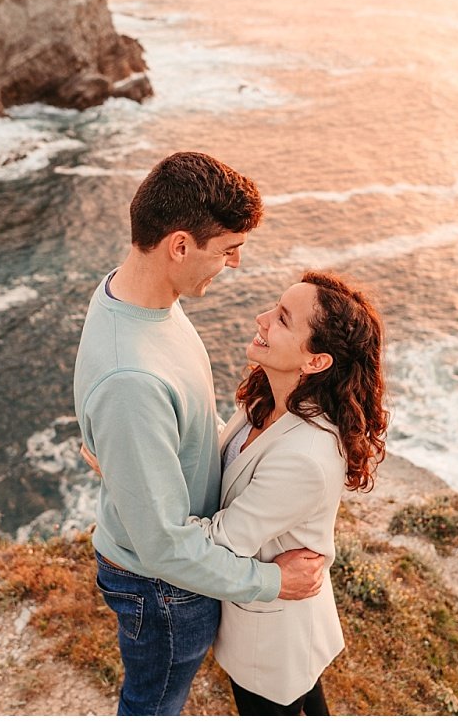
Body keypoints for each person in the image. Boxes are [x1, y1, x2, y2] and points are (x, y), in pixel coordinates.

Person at [73, 152, 326, 717]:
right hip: (161, 586)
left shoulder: (134, 298)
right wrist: (270, 583)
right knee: (153, 706)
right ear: (180, 246)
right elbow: (163, 544)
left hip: (169, 565)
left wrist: (133, 465)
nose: (234, 264)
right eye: (228, 250)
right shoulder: (131, 380)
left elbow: (174, 427)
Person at [189, 270, 388, 715]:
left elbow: (221, 540)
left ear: (315, 362)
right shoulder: (270, 400)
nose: (261, 319)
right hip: (283, 624)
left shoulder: (307, 456)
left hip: (273, 640)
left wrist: (139, 487)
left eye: (281, 319)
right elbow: (234, 462)